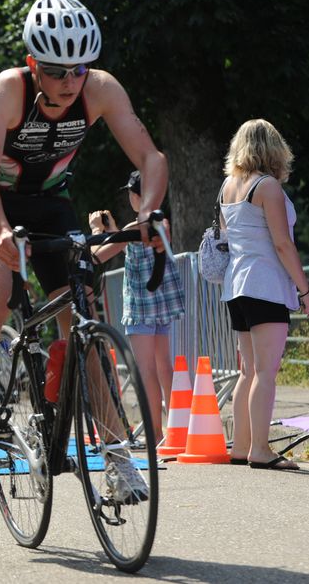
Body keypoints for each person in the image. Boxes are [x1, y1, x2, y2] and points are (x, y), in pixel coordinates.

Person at [0, 0, 168, 431]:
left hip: (51, 203)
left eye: (79, 69)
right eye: (55, 71)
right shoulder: (7, 90)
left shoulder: (101, 89)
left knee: (82, 322)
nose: (69, 81)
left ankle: (115, 451)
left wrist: (148, 213)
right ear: (33, 65)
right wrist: (0, 232)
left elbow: (151, 158)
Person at [219, 119, 309, 471]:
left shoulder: (228, 186)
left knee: (248, 371)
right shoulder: (268, 187)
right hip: (265, 286)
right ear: (274, 148)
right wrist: (305, 290)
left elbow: (229, 238)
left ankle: (242, 446)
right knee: (266, 372)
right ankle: (260, 449)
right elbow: (281, 243)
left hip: (236, 287)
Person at [88, 170, 186, 445]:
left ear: (136, 195)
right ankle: (178, 430)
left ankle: (156, 433)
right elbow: (124, 243)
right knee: (163, 366)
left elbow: (97, 256)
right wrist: (113, 231)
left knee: (145, 370)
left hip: (141, 306)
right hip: (163, 304)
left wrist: (97, 231)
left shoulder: (135, 228)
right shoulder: (161, 223)